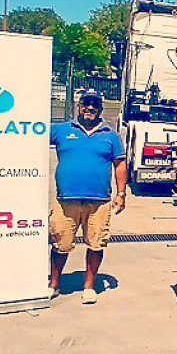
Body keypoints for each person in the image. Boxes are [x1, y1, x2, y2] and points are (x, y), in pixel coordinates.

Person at [48, 90, 126, 304]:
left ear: (100, 109)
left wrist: (121, 193)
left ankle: (89, 287)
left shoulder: (111, 135)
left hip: (99, 202)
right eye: (85, 103)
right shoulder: (61, 130)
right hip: (66, 200)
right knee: (60, 244)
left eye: (94, 104)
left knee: (96, 244)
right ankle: (53, 285)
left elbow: (120, 164)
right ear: (78, 106)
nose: (90, 107)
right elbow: (31, 135)